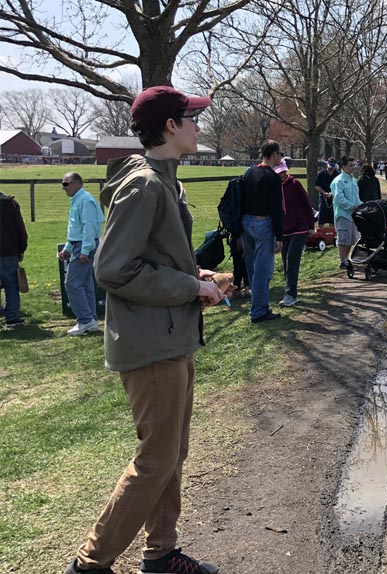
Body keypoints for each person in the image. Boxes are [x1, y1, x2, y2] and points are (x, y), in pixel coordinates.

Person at [66, 85, 228, 574]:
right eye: (192, 118)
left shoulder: (164, 177)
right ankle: (90, 564)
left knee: (171, 453)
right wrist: (189, 287)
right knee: (156, 459)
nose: (199, 125)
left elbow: (153, 258)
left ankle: (161, 554)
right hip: (151, 343)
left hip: (172, 336)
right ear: (170, 127)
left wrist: (197, 276)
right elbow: (113, 269)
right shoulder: (145, 184)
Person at [241, 140, 284, 323]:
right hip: (262, 223)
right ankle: (259, 310)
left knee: (252, 269)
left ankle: (257, 304)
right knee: (262, 270)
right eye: (280, 154)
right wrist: (280, 236)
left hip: (246, 222)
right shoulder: (272, 177)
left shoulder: (249, 172)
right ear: (273, 154)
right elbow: (276, 208)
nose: (280, 157)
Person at [57, 172, 105, 336]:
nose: (63, 188)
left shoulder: (86, 200)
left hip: (85, 247)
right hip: (79, 245)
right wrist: (68, 248)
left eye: (66, 184)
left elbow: (89, 227)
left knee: (71, 284)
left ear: (77, 183)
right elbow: (76, 229)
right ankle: (90, 320)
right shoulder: (77, 200)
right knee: (85, 284)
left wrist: (85, 250)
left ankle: (84, 320)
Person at [276, 159, 315, 307]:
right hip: (284, 229)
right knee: (286, 260)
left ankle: (291, 294)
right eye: (278, 172)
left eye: (283, 172)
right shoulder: (274, 187)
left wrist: (311, 225)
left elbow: (306, 204)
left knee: (292, 259)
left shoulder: (295, 184)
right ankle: (289, 290)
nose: (281, 175)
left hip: (300, 227)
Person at [0, 191, 28, 327]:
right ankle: (11, 318)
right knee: (11, 285)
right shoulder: (11, 204)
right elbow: (20, 228)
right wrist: (22, 248)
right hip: (8, 251)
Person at [331, 156, 361, 269]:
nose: (353, 168)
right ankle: (342, 261)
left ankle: (346, 259)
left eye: (354, 165)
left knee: (351, 240)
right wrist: (351, 206)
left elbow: (356, 197)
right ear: (343, 167)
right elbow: (339, 198)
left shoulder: (353, 180)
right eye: (350, 166)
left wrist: (361, 205)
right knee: (343, 240)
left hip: (353, 215)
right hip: (343, 215)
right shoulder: (338, 181)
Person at [314, 157, 339, 226]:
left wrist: (333, 193)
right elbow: (317, 186)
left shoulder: (337, 174)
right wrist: (324, 192)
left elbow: (340, 187)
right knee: (322, 217)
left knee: (333, 217)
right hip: (324, 198)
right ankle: (321, 233)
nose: (331, 169)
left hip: (334, 198)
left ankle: (332, 234)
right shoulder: (321, 174)